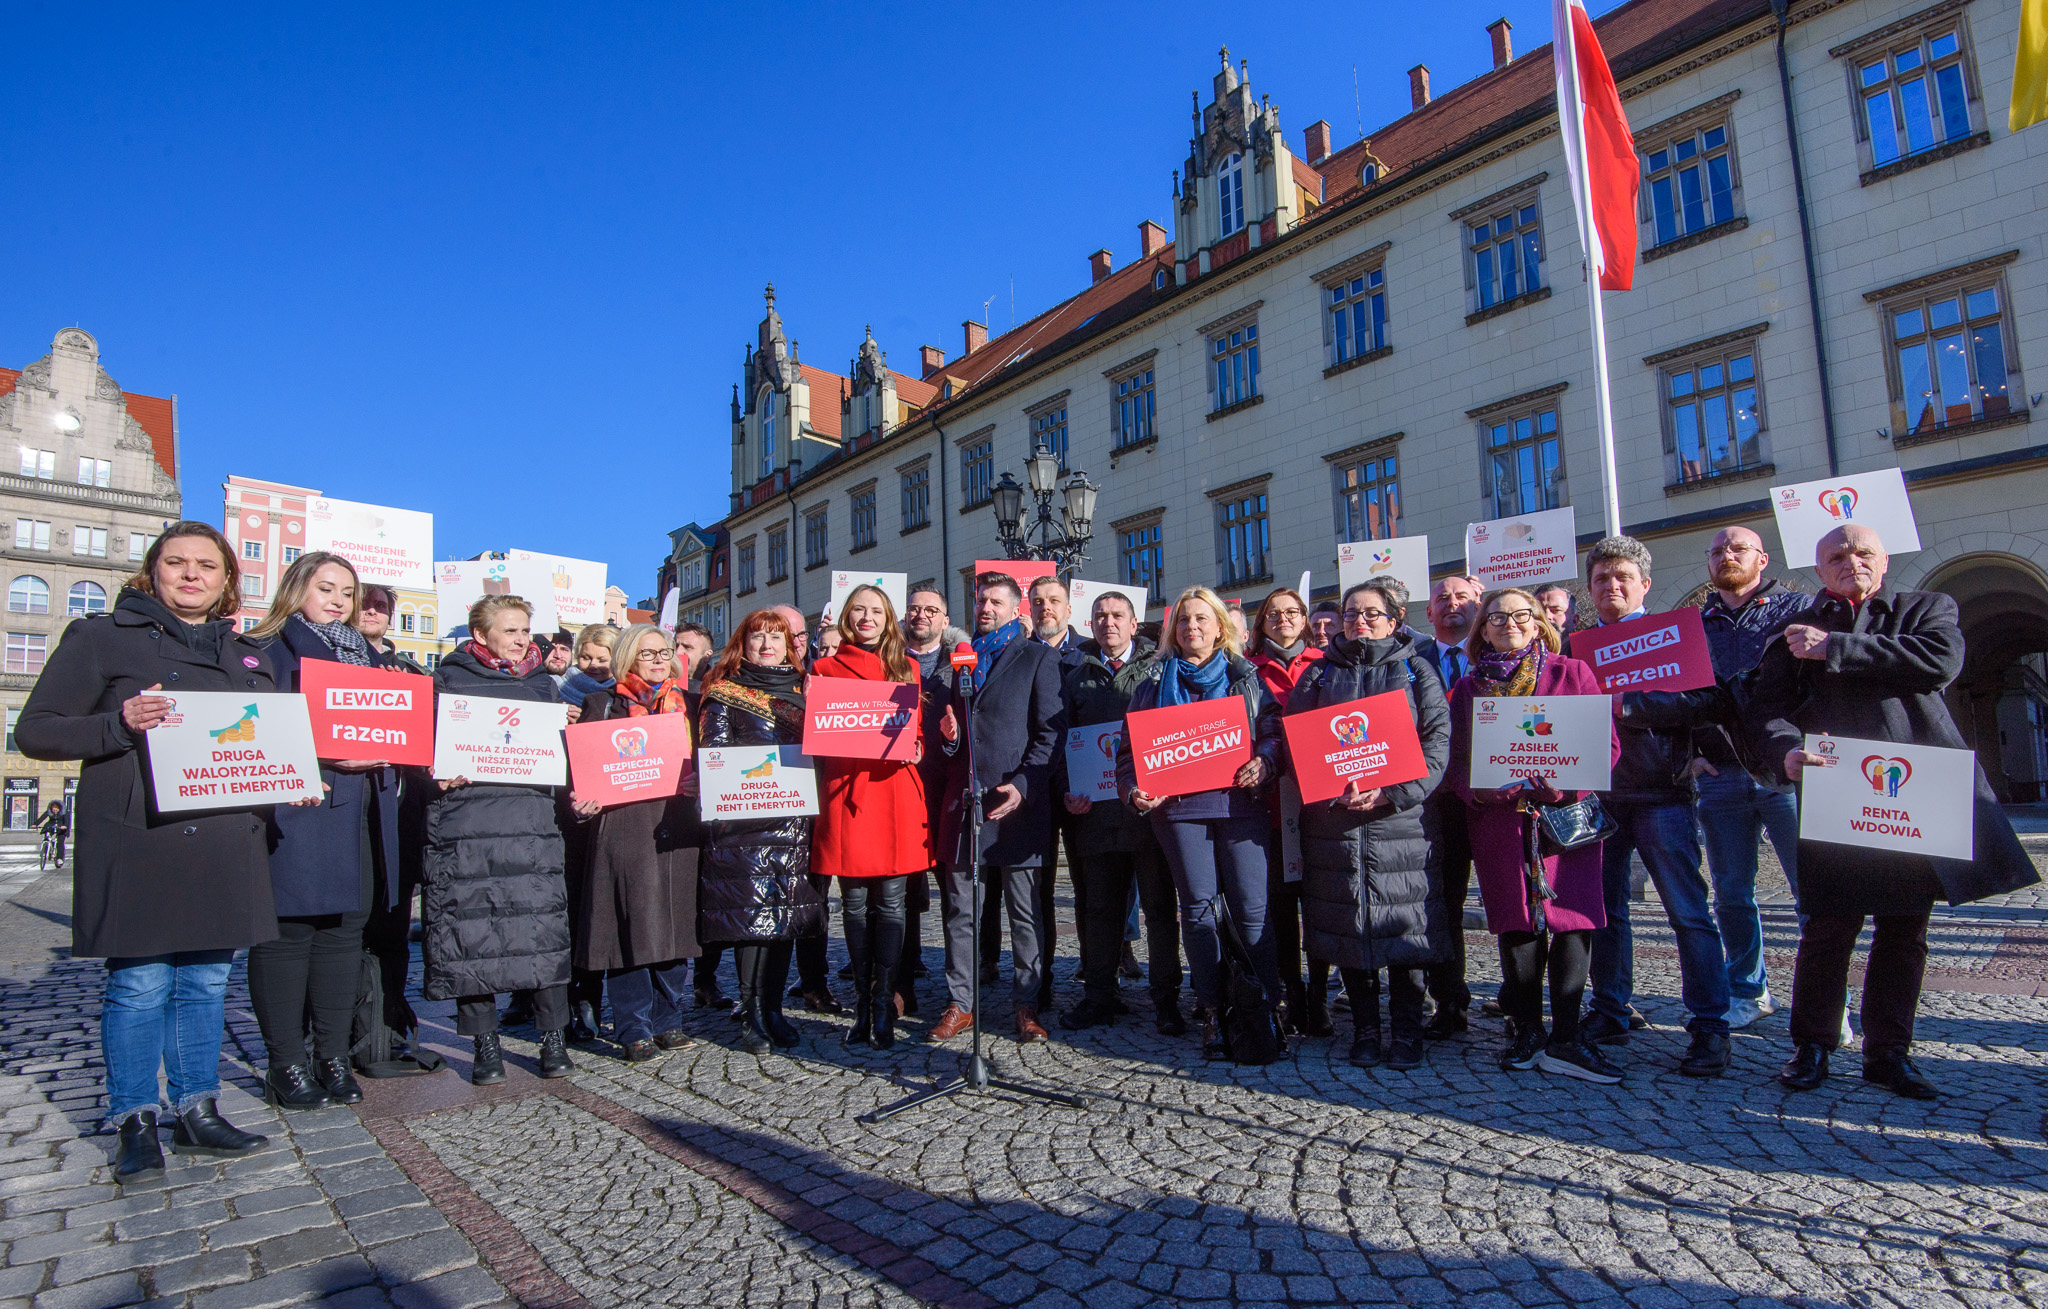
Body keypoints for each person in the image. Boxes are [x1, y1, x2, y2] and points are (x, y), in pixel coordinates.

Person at [17, 522, 277, 1177]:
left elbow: (263, 742)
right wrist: (117, 723)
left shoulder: (246, 654)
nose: (192, 575)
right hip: (141, 836)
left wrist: (290, 778)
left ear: (225, 580)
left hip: (222, 836)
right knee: (138, 985)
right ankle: (135, 1117)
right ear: (151, 571)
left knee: (207, 982)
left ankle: (197, 1109)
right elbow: (37, 731)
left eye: (206, 566)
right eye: (177, 563)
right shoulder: (101, 637)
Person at [1750, 525, 2036, 1098]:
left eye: (1862, 553)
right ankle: (1811, 1047)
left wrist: (1833, 648)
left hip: (1915, 794)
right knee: (1829, 926)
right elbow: (1766, 709)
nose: (1850, 562)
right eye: (1836, 555)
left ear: (1882, 562)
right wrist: (1783, 753)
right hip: (1834, 791)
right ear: (1819, 567)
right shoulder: (1791, 631)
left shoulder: (1925, 607)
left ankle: (1888, 1054)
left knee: (1905, 929)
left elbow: (1937, 663)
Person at [247, 551, 404, 1110]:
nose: (339, 601)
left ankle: (333, 1055)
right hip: (301, 811)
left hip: (362, 811)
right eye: (326, 588)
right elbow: (252, 731)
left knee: (344, 935)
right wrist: (325, 754)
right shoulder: (267, 650)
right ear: (296, 588)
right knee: (289, 936)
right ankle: (285, 1062)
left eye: (347, 592)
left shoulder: (369, 656)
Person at [1446, 587, 1623, 1082]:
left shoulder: (1573, 673)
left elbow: (1604, 746)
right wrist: (1486, 793)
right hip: (1499, 819)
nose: (1510, 624)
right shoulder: (1467, 689)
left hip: (1566, 817)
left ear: (1540, 621)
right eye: (1497, 618)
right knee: (1516, 921)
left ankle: (1566, 1037)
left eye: (1522, 615)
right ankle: (1526, 1029)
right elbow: (1455, 762)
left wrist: (1565, 786)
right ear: (1482, 629)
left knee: (1573, 918)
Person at [1580, 537, 1733, 1076]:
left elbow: (1707, 699)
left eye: (1622, 577)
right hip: (1600, 794)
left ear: (1644, 584)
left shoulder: (1673, 635)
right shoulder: (1579, 647)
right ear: (1590, 589)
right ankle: (1610, 1009)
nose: (1612, 586)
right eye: (1601, 579)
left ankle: (1710, 1026)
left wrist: (1630, 704)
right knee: (1605, 913)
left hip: (1663, 794)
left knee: (1688, 912)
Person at [1115, 585, 1285, 1058]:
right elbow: (1128, 753)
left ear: (1220, 627)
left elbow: (1273, 732)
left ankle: (1264, 1008)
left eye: (1202, 619)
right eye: (1184, 620)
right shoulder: (1151, 684)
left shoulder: (1245, 678)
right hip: (1180, 812)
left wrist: (1267, 761)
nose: (1192, 627)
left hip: (1240, 806)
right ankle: (1213, 1010)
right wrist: (1134, 790)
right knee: (1198, 912)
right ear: (1173, 630)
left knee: (1253, 910)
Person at [1289, 578, 1453, 1069]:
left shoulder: (1415, 670)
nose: (1359, 621)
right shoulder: (1316, 677)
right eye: (1350, 614)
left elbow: (1438, 743)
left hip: (1401, 823)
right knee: (1348, 927)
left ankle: (1406, 1032)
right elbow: (1298, 743)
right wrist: (1329, 786)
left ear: (1394, 619)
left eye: (1371, 614)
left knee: (1405, 929)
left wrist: (1393, 793)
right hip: (1335, 825)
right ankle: (1363, 1029)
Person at [424, 594, 578, 1085]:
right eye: (510, 630)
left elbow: (561, 760)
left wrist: (567, 733)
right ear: (480, 636)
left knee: (542, 932)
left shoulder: (543, 685)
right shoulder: (448, 680)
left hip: (532, 822)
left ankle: (553, 1039)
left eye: (525, 630)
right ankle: (484, 1046)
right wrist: (437, 768)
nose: (521, 639)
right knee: (474, 933)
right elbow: (427, 747)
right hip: (469, 825)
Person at [931, 572, 1065, 1044]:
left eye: (994, 602)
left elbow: (1051, 733)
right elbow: (952, 741)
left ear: (1015, 609)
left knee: (1024, 913)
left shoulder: (1038, 658)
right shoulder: (958, 665)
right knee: (961, 912)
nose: (984, 608)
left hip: (1017, 807)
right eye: (979, 600)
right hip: (965, 806)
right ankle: (960, 1004)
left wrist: (1024, 786)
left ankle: (1026, 1004)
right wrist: (949, 742)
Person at [567, 624, 702, 1061]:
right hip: (623, 823)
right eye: (648, 654)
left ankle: (668, 1018)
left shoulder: (692, 706)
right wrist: (580, 800)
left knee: (676, 922)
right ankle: (632, 1024)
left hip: (677, 822)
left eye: (664, 652)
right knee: (629, 922)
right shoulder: (600, 705)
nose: (660, 660)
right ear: (627, 658)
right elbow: (581, 771)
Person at [1692, 527, 1808, 1028]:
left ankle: (1827, 1002)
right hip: (1720, 774)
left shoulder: (1797, 610)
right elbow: (1682, 693)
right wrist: (1692, 752)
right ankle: (1747, 989)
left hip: (1785, 773)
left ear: (1762, 559)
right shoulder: (1695, 624)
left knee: (1814, 892)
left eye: (1738, 548)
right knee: (1732, 894)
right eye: (1718, 551)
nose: (1727, 556)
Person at [698, 608, 826, 1054]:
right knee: (754, 923)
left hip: (796, 823)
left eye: (776, 638)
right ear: (743, 643)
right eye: (758, 638)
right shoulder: (724, 693)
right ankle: (751, 1015)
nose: (767, 646)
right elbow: (712, 756)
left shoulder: (805, 691)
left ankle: (774, 1009)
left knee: (785, 920)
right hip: (745, 823)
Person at [809, 587, 932, 1050]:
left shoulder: (908, 667)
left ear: (889, 619)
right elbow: (817, 738)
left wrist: (917, 745)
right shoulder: (822, 669)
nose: (867, 617)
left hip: (894, 793)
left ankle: (885, 1005)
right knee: (855, 906)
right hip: (846, 793)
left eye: (876, 611)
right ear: (845, 616)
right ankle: (862, 1004)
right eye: (859, 609)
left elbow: (915, 729)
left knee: (893, 904)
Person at [1055, 590, 1182, 1033]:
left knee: (1160, 910)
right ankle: (1100, 996)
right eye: (1100, 616)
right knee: (1100, 911)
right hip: (1096, 814)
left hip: (1149, 813)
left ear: (1134, 624)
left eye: (1117, 616)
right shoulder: (1073, 672)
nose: (1108, 623)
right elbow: (1061, 740)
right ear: (1090, 625)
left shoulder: (1161, 669)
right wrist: (1070, 790)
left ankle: (1166, 999)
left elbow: (1175, 731)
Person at [1247, 586, 1330, 1037]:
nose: (1283, 619)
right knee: (1278, 905)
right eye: (1274, 613)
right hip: (1269, 803)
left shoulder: (1326, 664)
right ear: (1262, 622)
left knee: (1319, 904)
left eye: (1292, 612)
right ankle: (1289, 994)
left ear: (1305, 618)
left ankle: (1318, 995)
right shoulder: (1246, 669)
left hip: (1319, 802)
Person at [1413, 573, 1485, 1034]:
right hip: (1436, 803)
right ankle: (1450, 1001)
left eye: (1463, 597)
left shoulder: (1506, 655)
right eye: (1443, 598)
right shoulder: (1410, 662)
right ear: (1429, 613)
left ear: (1480, 604)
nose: (1452, 604)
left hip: (1500, 800)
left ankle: (1521, 1000)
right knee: (1443, 903)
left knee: (1517, 902)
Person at [771, 606, 841, 1014]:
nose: (796, 643)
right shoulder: (741, 682)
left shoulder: (824, 679)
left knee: (814, 898)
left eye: (800, 636)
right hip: (767, 804)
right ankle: (760, 995)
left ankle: (814, 982)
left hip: (816, 802)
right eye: (786, 635)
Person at [899, 588, 964, 1015]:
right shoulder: (886, 663)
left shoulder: (961, 665)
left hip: (946, 791)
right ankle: (899, 983)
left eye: (931, 610)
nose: (921, 615)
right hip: (897, 788)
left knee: (955, 895)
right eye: (915, 608)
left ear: (944, 619)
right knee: (899, 892)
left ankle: (960, 993)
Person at [1029, 576, 1087, 1012]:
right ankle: (1040, 981)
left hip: (1085, 786)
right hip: (1034, 789)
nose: (1045, 608)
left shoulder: (1087, 656)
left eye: (1054, 601)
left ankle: (1099, 974)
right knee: (1038, 891)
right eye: (1037, 601)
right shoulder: (1018, 655)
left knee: (1091, 889)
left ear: (1069, 608)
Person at [356, 585, 427, 673]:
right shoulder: (335, 657)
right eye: (363, 604)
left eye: (380, 605)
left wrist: (407, 685)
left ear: (389, 620)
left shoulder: (412, 671)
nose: (372, 611)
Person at [560, 623, 619, 707]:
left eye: (602, 660)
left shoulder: (624, 696)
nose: (593, 665)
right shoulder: (554, 686)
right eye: (586, 658)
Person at [675, 622, 715, 687]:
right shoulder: (659, 685)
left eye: (687, 647)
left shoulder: (718, 689)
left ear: (707, 656)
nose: (678, 652)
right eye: (676, 646)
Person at [36, 800, 67, 865]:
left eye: (56, 810)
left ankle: (59, 858)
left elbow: (67, 821)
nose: (55, 812)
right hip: (51, 826)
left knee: (60, 843)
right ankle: (46, 849)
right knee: (47, 835)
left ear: (59, 809)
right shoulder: (49, 812)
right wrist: (35, 824)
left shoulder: (64, 813)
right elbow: (42, 817)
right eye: (53, 810)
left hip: (61, 828)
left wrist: (64, 826)